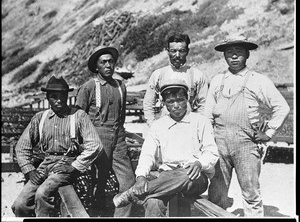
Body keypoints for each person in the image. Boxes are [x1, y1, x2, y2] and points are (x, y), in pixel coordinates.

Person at [204, 35, 290, 217]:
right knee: (217, 192)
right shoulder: (217, 81)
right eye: (229, 53)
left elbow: (282, 107)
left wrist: (269, 133)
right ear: (224, 56)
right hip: (218, 142)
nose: (234, 57)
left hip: (246, 144)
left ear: (247, 55)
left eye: (239, 52)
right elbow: (207, 115)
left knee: (250, 191)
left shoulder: (257, 80)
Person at [112, 79, 219, 217]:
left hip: (195, 177)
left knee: (185, 175)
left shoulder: (200, 121)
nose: (176, 106)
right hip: (167, 177)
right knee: (153, 202)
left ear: (187, 99)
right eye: (170, 102)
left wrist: (200, 163)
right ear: (164, 103)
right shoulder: (158, 126)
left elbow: (212, 152)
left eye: (180, 100)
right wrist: (140, 177)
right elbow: (147, 155)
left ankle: (132, 194)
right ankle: (143, 192)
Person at [12, 76, 103, 217]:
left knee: (42, 194)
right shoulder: (40, 118)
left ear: (67, 96)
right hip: (45, 164)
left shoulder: (78, 116)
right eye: (54, 97)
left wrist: (74, 166)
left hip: (67, 164)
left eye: (62, 96)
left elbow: (95, 145)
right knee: (20, 204)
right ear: (47, 97)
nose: (59, 100)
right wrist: (29, 170)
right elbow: (22, 147)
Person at [75, 46, 136, 217]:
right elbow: (78, 118)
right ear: (96, 67)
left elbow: (122, 116)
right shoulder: (88, 87)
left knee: (129, 181)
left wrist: (119, 134)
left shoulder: (120, 86)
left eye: (111, 62)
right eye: (104, 62)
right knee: (95, 182)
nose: (108, 65)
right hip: (96, 137)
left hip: (118, 137)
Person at [143, 33, 208, 126]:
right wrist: (152, 125)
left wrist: (198, 126)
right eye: (173, 51)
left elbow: (204, 105)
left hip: (189, 126)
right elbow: (148, 103)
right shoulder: (158, 75)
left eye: (181, 51)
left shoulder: (198, 75)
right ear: (168, 51)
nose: (177, 55)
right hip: (164, 126)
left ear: (187, 51)